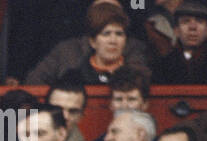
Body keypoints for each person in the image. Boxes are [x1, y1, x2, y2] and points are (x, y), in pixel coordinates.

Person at [25, 1, 153, 86]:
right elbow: (34, 82)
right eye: (106, 33)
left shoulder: (135, 50)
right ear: (92, 40)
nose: (113, 40)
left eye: (119, 34)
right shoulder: (67, 51)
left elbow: (144, 81)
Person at [152, 1, 207, 83]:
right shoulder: (162, 66)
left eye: (199, 21)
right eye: (186, 21)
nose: (192, 27)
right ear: (176, 31)